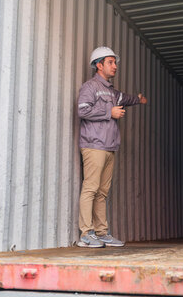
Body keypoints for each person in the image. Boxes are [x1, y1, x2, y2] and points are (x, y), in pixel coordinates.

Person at [76, 46, 147, 248]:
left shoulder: (112, 92)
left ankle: (102, 232)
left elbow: (125, 98)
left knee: (102, 192)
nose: (115, 66)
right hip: (94, 145)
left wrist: (139, 99)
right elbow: (82, 110)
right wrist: (110, 112)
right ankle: (86, 233)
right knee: (90, 188)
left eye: (115, 62)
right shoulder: (90, 87)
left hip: (109, 146)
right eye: (110, 62)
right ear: (99, 65)